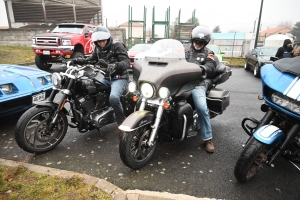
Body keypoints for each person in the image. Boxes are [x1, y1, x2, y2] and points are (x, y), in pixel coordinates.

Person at [71, 26, 130, 126]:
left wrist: (116, 65)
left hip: (119, 79)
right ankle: (96, 112)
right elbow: (92, 59)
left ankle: (122, 122)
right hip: (106, 78)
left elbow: (126, 62)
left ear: (107, 38)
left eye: (103, 41)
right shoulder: (98, 49)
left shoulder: (117, 45)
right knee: (89, 88)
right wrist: (78, 60)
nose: (101, 43)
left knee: (114, 98)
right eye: (98, 42)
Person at [185, 25, 217, 153]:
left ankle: (207, 138)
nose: (198, 44)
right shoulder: (184, 49)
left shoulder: (209, 53)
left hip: (197, 83)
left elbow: (210, 66)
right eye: (196, 41)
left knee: (202, 108)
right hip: (179, 81)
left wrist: (203, 68)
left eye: (201, 43)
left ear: (206, 43)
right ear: (192, 39)